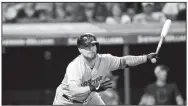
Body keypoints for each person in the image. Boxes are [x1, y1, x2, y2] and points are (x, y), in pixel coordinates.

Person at [53, 33, 157, 105]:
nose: (91, 49)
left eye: (93, 45)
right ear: (80, 49)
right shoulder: (75, 66)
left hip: (89, 97)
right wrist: (92, 88)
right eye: (87, 46)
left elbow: (124, 61)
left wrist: (145, 57)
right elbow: (74, 90)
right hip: (67, 100)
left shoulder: (105, 59)